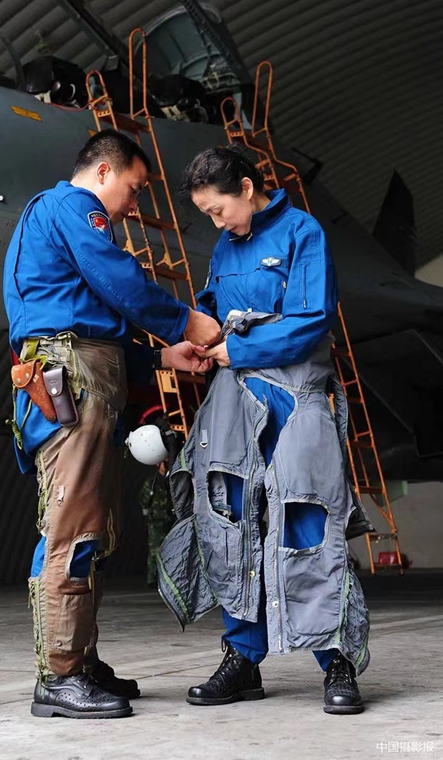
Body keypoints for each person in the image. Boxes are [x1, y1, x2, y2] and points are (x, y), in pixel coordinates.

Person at [3, 129, 219, 719]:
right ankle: (60, 676)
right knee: (70, 531)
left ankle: (81, 660)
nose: (134, 203)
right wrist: (185, 322)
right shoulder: (72, 208)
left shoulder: (61, 221)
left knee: (91, 532)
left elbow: (98, 326)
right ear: (103, 172)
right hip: (71, 381)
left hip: (88, 374)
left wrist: (162, 357)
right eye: (134, 187)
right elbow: (117, 283)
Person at [157, 145, 372, 715]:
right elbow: (212, 307)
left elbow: (311, 320)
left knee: (307, 518)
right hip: (235, 401)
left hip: (295, 398)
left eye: (218, 209)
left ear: (248, 188)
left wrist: (241, 348)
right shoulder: (226, 246)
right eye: (207, 214)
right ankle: (243, 657)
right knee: (231, 517)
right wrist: (199, 341)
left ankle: (335, 658)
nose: (216, 222)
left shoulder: (303, 233)